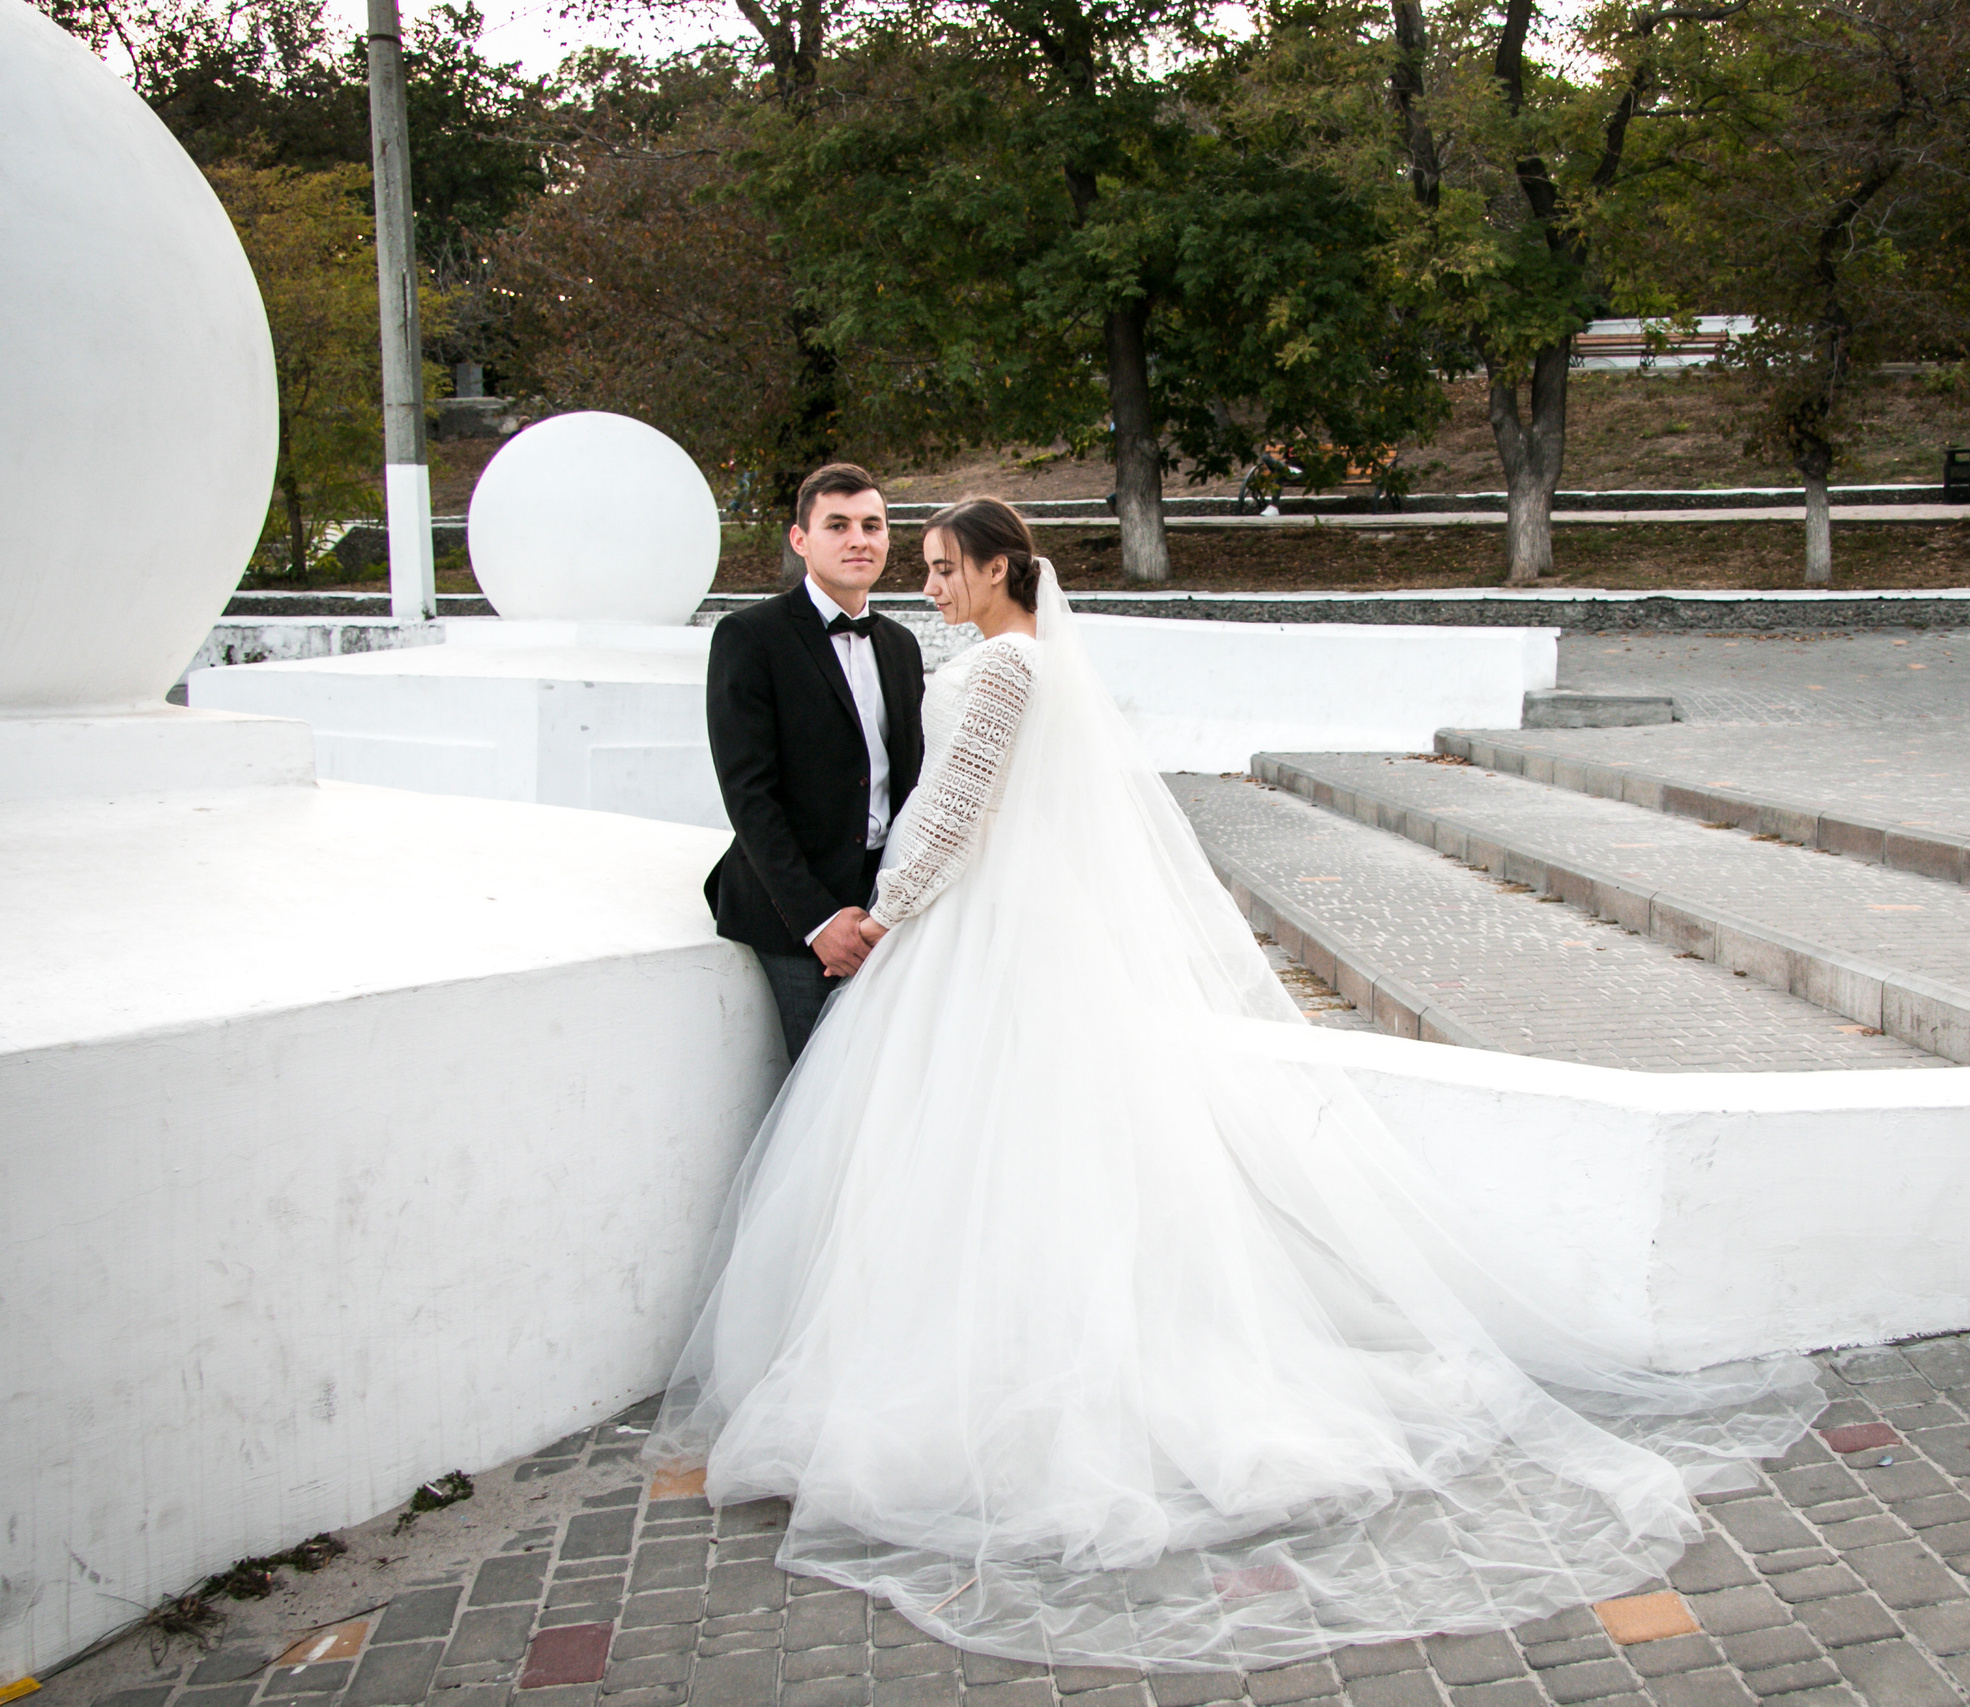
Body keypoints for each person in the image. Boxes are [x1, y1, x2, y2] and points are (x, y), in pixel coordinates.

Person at [650, 496, 1822, 1672]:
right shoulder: (984, 653)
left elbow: (955, 815)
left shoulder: (1002, 666)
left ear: (1005, 569)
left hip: (972, 927)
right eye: (923, 565)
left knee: (990, 1142)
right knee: (1005, 1150)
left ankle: (1011, 1374)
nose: (930, 584)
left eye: (946, 566)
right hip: (982, 923)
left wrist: (886, 918)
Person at [703, 463, 925, 1061]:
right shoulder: (749, 637)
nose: (860, 539)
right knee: (818, 1095)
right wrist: (817, 920)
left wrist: (901, 901)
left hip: (887, 903)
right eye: (838, 525)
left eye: (872, 525)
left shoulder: (900, 645)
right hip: (794, 914)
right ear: (801, 540)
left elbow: (909, 784)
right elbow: (749, 796)